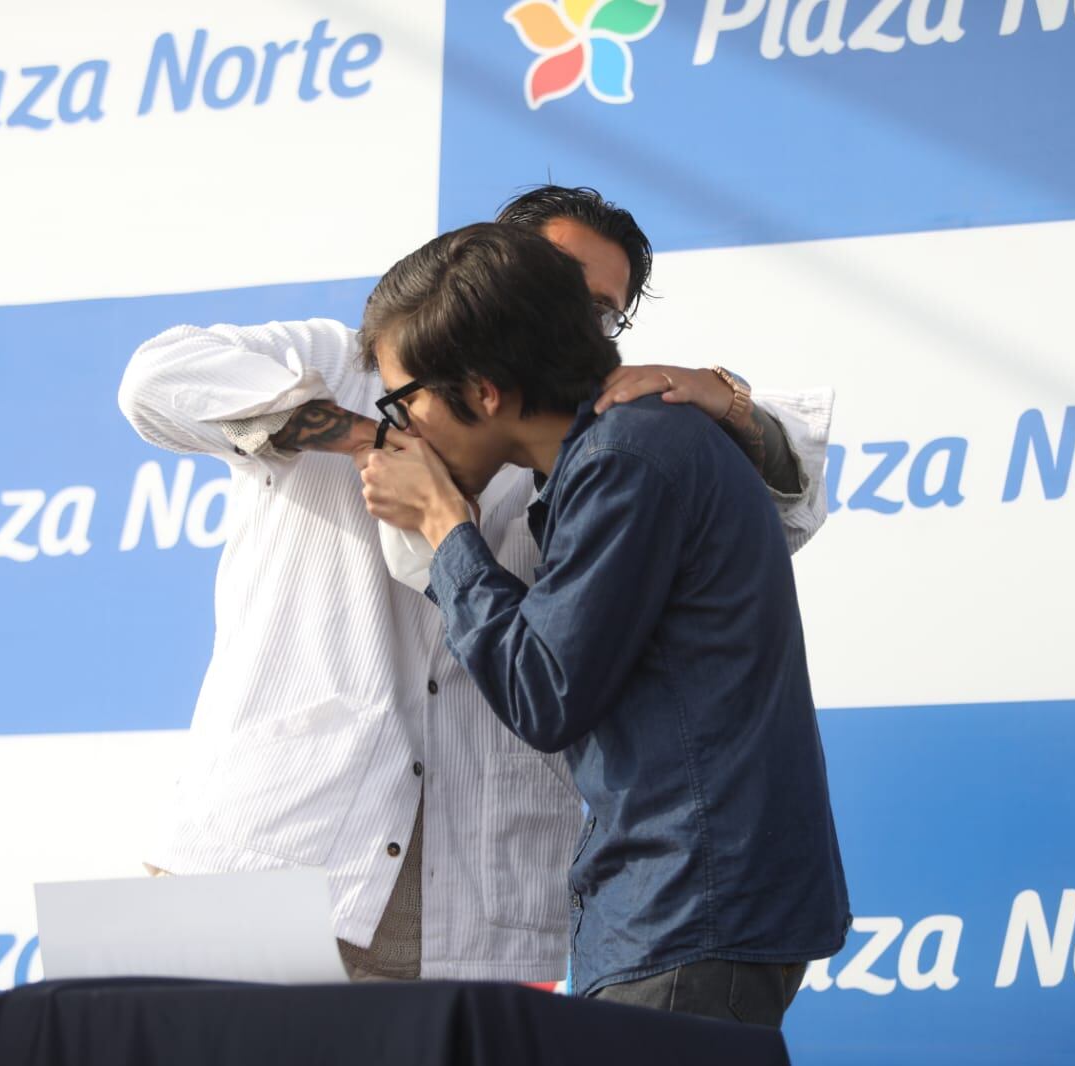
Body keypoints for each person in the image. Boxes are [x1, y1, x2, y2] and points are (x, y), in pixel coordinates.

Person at [116, 187, 834, 983]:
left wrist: (729, 399)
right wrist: (375, 438)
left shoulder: (608, 435)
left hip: (476, 890)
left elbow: (785, 509)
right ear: (488, 267)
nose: (577, 319)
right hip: (264, 845)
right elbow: (156, 378)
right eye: (559, 282)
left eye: (603, 310)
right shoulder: (344, 361)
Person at [356, 222, 849, 1025]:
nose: (403, 431)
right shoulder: (624, 447)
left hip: (688, 901)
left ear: (484, 391)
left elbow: (545, 693)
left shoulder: (626, 457)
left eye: (405, 399)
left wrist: (446, 524)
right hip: (677, 900)